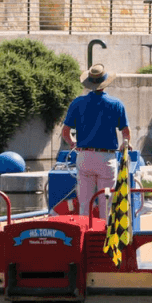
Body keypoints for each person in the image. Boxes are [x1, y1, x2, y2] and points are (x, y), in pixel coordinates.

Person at [61, 63, 131, 218]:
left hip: (84, 156)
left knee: (84, 204)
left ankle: (85, 236)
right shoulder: (116, 104)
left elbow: (65, 132)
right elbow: (126, 133)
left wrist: (74, 144)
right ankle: (104, 237)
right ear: (105, 82)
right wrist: (124, 144)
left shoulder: (77, 103)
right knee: (107, 204)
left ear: (89, 83)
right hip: (106, 158)